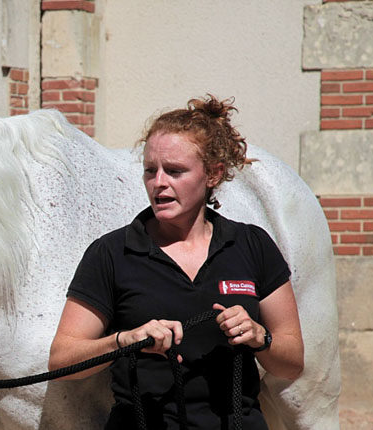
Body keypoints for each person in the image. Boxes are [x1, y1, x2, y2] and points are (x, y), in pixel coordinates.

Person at [48, 95, 304, 429]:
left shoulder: (252, 245)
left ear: (213, 174)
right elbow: (61, 359)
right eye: (150, 171)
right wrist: (123, 340)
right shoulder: (110, 252)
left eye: (175, 171)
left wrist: (259, 337)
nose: (159, 183)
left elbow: (292, 363)